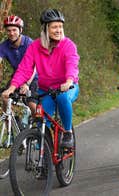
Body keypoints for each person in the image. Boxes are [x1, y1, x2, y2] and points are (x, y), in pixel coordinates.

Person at [2, 9, 80, 148]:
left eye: (60, 26)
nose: (59, 30)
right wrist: (12, 88)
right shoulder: (35, 47)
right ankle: (46, 156)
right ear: (45, 28)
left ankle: (67, 132)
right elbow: (24, 69)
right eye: (54, 27)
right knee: (40, 122)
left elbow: (72, 64)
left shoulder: (68, 45)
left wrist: (69, 81)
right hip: (47, 90)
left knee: (62, 98)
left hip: (68, 86)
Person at [0, 15, 37, 114]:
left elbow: (35, 67)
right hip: (18, 76)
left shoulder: (29, 43)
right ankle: (10, 124)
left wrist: (27, 84)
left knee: (31, 103)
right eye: (8, 30)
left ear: (20, 30)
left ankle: (38, 126)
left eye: (14, 30)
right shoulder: (4, 46)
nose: (11, 33)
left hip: (34, 77)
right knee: (5, 97)